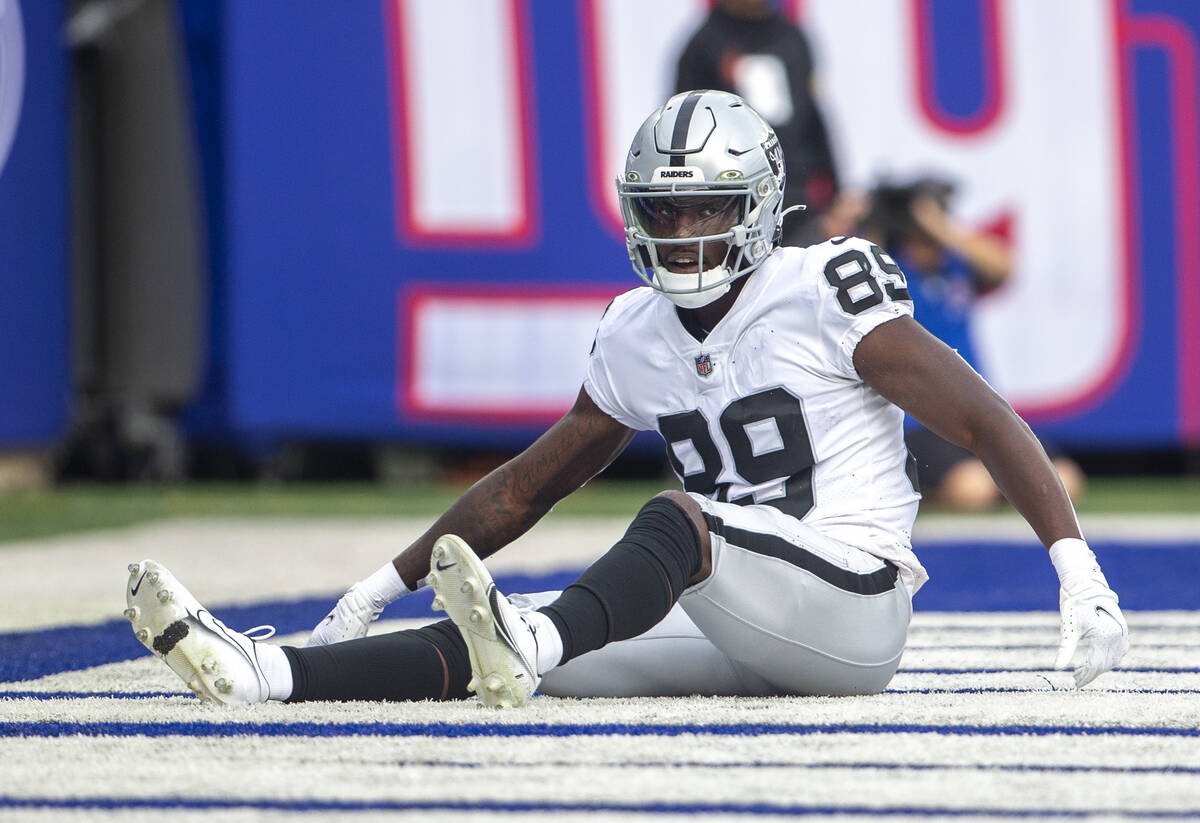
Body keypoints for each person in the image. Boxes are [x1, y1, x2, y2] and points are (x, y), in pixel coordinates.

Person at [124, 91, 1128, 709]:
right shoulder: (635, 330)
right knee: (502, 640)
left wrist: (1076, 571)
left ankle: (536, 641)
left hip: (854, 611)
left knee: (669, 523)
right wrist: (376, 587)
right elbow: (526, 487)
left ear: (761, 208)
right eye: (666, 209)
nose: (686, 229)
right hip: (742, 620)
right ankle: (270, 677)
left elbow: (986, 419)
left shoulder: (822, 286)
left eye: (710, 208)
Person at [862, 179, 1087, 510]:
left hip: (980, 406)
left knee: (1064, 480)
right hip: (920, 421)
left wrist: (941, 228)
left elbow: (1003, 266)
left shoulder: (956, 264)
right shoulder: (889, 269)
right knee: (972, 489)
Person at [675, 0, 840, 245]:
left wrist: (836, 195)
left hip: (797, 199)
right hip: (733, 201)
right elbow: (685, 130)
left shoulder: (793, 39)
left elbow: (812, 118)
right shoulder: (703, 46)